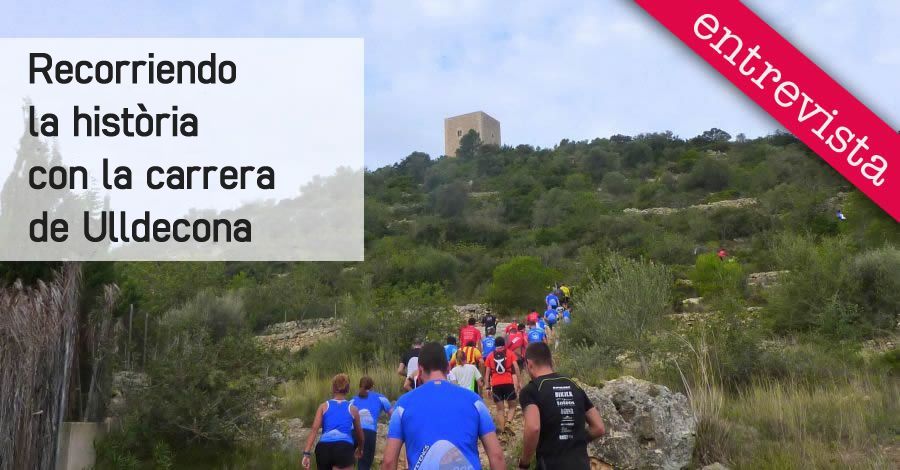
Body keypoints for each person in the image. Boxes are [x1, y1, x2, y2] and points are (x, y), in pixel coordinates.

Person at [381, 342, 505, 470]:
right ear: (448, 367)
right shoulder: (475, 401)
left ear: (420, 369)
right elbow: (496, 456)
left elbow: (389, 462)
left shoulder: (403, 405)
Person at [518, 343, 605, 470]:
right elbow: (599, 427)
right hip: (581, 464)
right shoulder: (574, 386)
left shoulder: (532, 390)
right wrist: (576, 440)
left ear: (529, 364)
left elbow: (533, 428)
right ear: (550, 361)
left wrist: (524, 463)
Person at [302, 374, 365, 470]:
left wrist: (306, 454)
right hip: (344, 448)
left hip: (324, 448)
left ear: (333, 388)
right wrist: (360, 448)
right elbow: (360, 434)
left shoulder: (323, 406)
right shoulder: (353, 409)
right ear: (348, 389)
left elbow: (314, 430)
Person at [350, 376, 393, 470]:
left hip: (353, 432)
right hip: (369, 433)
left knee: (346, 464)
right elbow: (392, 414)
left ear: (359, 386)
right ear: (372, 386)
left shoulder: (353, 400)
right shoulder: (380, 397)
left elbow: (345, 417)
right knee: (364, 466)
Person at [483, 337, 520, 435]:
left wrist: (487, 387)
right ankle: (508, 423)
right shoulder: (510, 353)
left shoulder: (490, 355)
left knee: (500, 410)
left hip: (496, 384)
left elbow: (487, 373)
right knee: (512, 406)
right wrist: (519, 382)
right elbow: (516, 367)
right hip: (508, 383)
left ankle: (503, 431)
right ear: (504, 344)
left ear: (495, 345)